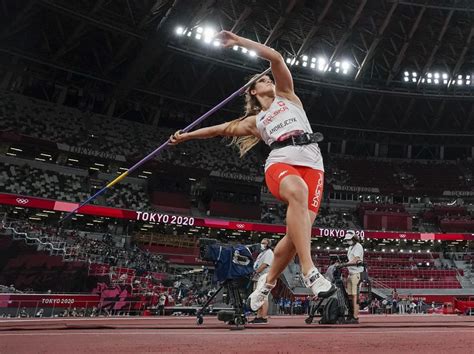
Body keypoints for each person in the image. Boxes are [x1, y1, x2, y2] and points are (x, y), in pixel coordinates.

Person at [170, 30, 335, 314]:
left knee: (297, 235)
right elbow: (219, 129)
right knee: (297, 192)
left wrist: (238, 42)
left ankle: (266, 284)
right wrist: (186, 136)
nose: (267, 79)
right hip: (281, 161)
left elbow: (275, 58)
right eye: (261, 80)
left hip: (314, 164)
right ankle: (310, 272)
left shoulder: (288, 96)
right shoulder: (255, 121)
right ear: (253, 92)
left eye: (267, 78)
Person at [341, 231, 364, 323]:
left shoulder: (358, 246)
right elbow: (351, 259)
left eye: (349, 239)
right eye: (347, 240)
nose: (348, 241)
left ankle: (355, 317)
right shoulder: (350, 247)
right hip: (351, 273)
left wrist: (345, 264)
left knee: (355, 296)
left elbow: (356, 259)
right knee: (350, 295)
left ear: (354, 238)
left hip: (357, 273)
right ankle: (350, 315)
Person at [249, 238, 274, 324]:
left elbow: (265, 264)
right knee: (258, 297)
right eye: (261, 243)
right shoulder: (262, 253)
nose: (262, 244)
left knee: (263, 297)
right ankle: (258, 316)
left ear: (268, 244)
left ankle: (263, 317)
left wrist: (255, 272)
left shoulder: (269, 253)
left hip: (264, 277)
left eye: (264, 243)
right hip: (259, 277)